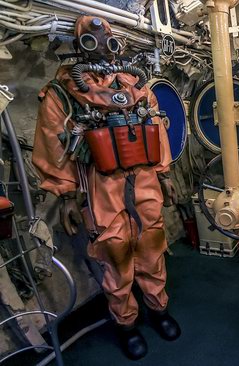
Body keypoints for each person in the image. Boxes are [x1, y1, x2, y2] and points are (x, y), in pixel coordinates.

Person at [32, 15, 180, 360]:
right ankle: (125, 322)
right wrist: (67, 194)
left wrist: (165, 173)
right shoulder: (64, 92)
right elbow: (54, 145)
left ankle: (158, 308)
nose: (101, 45)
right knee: (116, 258)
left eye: (107, 39)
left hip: (143, 180)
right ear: (79, 45)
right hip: (100, 186)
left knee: (152, 245)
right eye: (91, 39)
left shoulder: (135, 85)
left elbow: (157, 129)